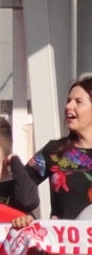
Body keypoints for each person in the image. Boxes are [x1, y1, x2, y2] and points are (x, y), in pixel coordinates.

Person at [24, 76, 92, 221]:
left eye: (78, 102)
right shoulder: (54, 151)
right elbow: (20, 184)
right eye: (68, 101)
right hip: (64, 242)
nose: (68, 106)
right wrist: (29, 220)